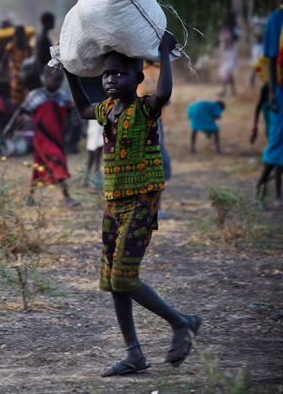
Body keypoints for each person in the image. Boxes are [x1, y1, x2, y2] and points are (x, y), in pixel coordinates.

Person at [64, 31, 201, 376]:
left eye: (121, 74)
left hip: (142, 199)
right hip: (113, 202)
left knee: (125, 277)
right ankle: (133, 354)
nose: (111, 79)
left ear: (138, 79)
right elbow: (82, 108)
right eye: (107, 74)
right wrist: (69, 70)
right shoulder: (106, 110)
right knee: (112, 279)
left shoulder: (145, 109)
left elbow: (164, 93)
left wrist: (164, 53)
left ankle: (182, 322)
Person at [4, 66, 79, 207]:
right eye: (54, 79)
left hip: (56, 138)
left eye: (60, 80)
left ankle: (30, 196)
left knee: (39, 169)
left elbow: (71, 114)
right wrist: (10, 127)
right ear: (45, 78)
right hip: (42, 138)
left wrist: (73, 125)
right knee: (58, 161)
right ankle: (67, 197)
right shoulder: (36, 95)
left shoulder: (62, 97)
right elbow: (20, 112)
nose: (57, 83)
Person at [255, 5, 283, 207]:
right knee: (277, 140)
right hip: (280, 90)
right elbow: (272, 58)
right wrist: (273, 92)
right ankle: (261, 188)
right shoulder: (277, 19)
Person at [251, 82, 282, 204]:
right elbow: (258, 107)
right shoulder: (269, 88)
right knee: (276, 163)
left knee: (277, 164)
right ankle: (272, 194)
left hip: (279, 131)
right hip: (274, 132)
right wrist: (254, 129)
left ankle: (264, 189)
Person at [3, 26, 33, 105]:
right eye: (15, 35)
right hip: (14, 81)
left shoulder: (29, 49)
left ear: (23, 36)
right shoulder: (11, 47)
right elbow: (2, 63)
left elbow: (32, 65)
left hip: (26, 81)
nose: (16, 38)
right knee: (14, 102)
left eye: (18, 35)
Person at [218, 20, 238, 98]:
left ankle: (224, 91)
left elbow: (227, 46)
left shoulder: (228, 36)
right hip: (226, 59)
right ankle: (233, 91)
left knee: (226, 75)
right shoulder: (225, 35)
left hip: (230, 58)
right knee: (228, 76)